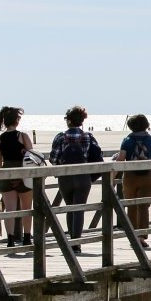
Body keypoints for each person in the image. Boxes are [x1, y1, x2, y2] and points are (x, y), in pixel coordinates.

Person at [49, 106, 104, 250]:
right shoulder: (88, 137)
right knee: (79, 208)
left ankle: (71, 242)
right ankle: (76, 243)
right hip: (83, 177)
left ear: (69, 120)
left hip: (65, 176)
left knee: (70, 207)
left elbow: (53, 158)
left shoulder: (60, 137)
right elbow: (98, 157)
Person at [113, 114, 151, 247]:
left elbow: (121, 159)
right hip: (148, 176)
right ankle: (141, 236)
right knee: (144, 206)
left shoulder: (127, 140)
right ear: (146, 125)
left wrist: (112, 177)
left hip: (130, 176)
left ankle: (133, 236)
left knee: (131, 206)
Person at [0, 106, 34, 247]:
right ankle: (27, 237)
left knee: (10, 210)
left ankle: (10, 239)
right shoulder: (23, 136)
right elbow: (32, 156)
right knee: (26, 208)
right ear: (16, 121)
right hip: (23, 174)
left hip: (6, 174)